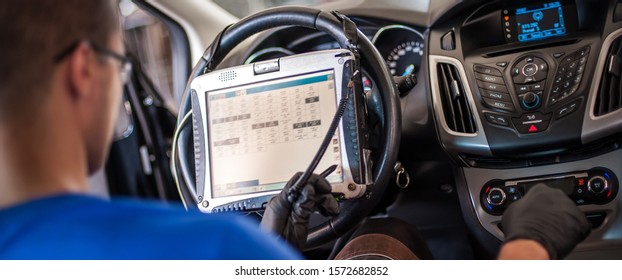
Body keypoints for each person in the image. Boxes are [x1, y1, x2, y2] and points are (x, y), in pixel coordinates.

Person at [0, 0, 590, 260]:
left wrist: (277, 253)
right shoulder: (210, 250)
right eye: (119, 64)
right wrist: (527, 247)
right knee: (384, 233)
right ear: (83, 71)